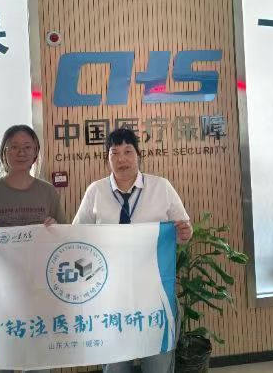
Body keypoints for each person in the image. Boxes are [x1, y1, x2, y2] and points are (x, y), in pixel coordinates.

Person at [73, 127, 192, 373]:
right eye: (114, 153)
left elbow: (183, 232)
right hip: (111, 296)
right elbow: (77, 238)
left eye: (128, 151)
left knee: (158, 365)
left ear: (139, 154)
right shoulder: (96, 192)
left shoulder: (161, 187)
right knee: (115, 366)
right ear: (107, 158)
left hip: (155, 294)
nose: (122, 159)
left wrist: (184, 232)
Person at [0, 124, 62, 373]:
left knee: (38, 365)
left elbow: (62, 245)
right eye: (14, 147)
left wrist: (55, 230)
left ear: (36, 151)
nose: (21, 152)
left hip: (39, 295)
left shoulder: (48, 193)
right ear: (4, 152)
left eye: (27, 147)